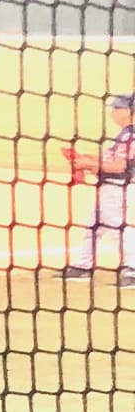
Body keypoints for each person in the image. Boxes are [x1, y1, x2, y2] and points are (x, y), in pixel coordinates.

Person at [69, 95, 135, 281]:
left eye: (117, 108)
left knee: (118, 229)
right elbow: (113, 162)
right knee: (93, 227)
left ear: (128, 112)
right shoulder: (125, 134)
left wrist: (89, 166)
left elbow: (119, 167)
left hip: (117, 189)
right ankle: (83, 266)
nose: (112, 112)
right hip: (111, 188)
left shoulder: (130, 136)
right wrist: (91, 160)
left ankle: (133, 269)